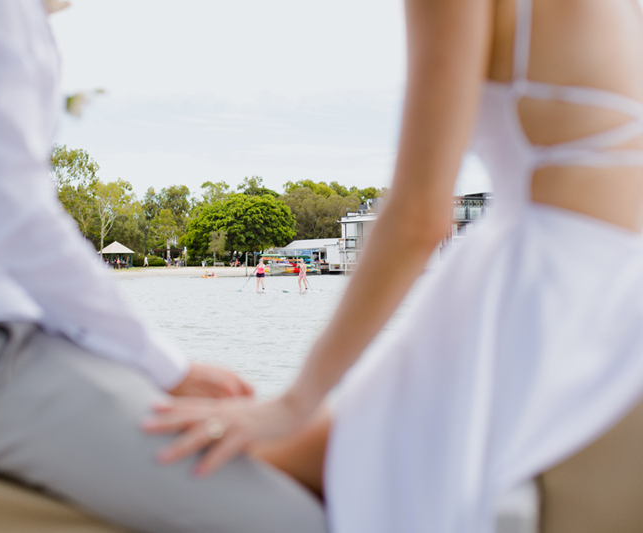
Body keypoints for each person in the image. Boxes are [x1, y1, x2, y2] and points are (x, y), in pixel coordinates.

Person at [145, 0, 643, 532]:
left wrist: (296, 401)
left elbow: (418, 217)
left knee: (251, 469)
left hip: (546, 292)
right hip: (613, 285)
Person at [0, 2, 327, 532]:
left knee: (310, 458)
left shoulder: (16, 20)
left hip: (12, 343)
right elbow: (13, 220)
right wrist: (170, 370)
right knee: (288, 521)